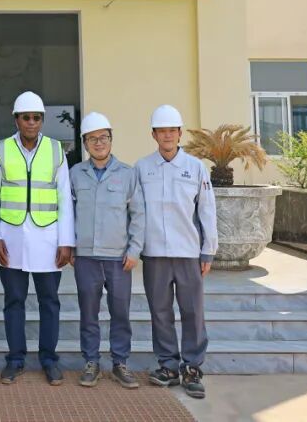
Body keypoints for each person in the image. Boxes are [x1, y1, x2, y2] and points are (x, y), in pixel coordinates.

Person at [0, 91, 74, 386]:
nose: (31, 122)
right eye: (26, 118)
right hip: (11, 240)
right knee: (14, 301)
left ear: (42, 120)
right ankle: (15, 359)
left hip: (49, 239)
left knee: (50, 302)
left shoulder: (56, 150)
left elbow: (65, 199)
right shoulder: (2, 149)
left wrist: (66, 242)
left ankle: (49, 360)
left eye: (36, 118)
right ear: (16, 120)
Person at [134, 104, 217, 400]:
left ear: (180, 134)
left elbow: (207, 210)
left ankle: (192, 368)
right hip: (154, 253)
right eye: (162, 131)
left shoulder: (195, 167)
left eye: (172, 130)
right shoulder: (142, 168)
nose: (167, 135)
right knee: (160, 312)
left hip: (188, 253)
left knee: (192, 312)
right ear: (153, 135)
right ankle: (168, 366)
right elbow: (135, 211)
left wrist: (208, 250)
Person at [69, 112, 145, 388]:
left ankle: (120, 363)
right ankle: (91, 362)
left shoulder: (127, 174)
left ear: (111, 140)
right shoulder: (75, 174)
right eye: (92, 139)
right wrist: (70, 247)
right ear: (85, 143)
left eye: (103, 137)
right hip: (86, 257)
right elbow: (68, 214)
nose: (99, 143)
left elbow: (138, 215)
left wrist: (134, 250)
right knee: (88, 314)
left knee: (120, 313)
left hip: (118, 258)